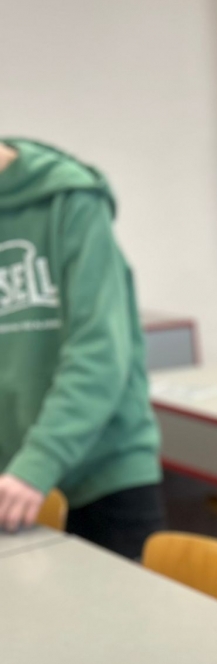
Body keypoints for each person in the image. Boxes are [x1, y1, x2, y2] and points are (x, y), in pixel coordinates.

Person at [0, 139, 163, 557]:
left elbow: (99, 353)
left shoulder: (71, 200)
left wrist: (39, 461)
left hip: (103, 474)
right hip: (12, 479)